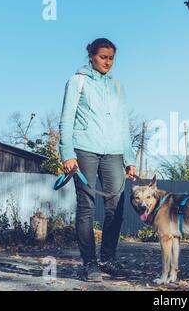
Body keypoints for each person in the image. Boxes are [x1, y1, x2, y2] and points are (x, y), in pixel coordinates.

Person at [58, 38, 137, 282]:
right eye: (103, 57)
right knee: (87, 206)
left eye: (111, 57)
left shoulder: (118, 86)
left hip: (114, 151)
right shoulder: (77, 81)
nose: (108, 62)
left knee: (116, 207)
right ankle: (90, 263)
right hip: (84, 149)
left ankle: (108, 259)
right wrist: (67, 153)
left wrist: (129, 157)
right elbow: (66, 119)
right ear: (91, 55)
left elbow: (124, 124)